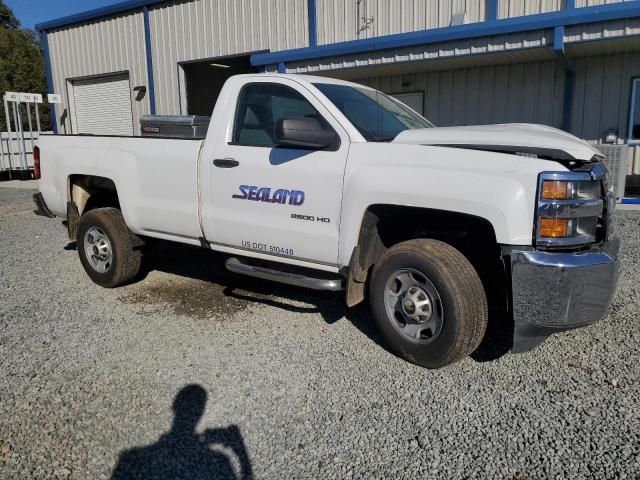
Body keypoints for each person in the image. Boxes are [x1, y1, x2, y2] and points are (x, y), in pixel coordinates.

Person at [111, 384, 253, 480]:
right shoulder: (221, 461)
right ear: (201, 412)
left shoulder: (130, 458)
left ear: (174, 407)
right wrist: (241, 452)